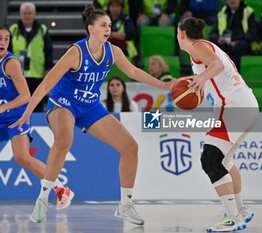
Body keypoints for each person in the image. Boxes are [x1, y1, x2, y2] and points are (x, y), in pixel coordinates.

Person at [10, 4, 173, 224]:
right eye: (103, 25)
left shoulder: (113, 51)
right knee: (64, 141)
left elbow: (134, 71)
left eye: (110, 25)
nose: (108, 29)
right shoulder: (76, 52)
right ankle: (43, 198)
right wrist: (28, 113)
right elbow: (46, 84)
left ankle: (125, 204)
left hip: (90, 106)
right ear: (91, 29)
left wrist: (164, 86)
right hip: (63, 103)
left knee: (130, 147)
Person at [177, 17, 258, 232]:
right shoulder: (203, 49)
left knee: (210, 159)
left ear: (181, 34)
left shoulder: (197, 46)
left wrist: (201, 78)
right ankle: (241, 211)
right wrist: (195, 88)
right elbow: (213, 74)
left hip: (233, 106)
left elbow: (217, 65)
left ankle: (232, 218)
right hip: (244, 104)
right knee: (225, 160)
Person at [0, 26, 74, 214]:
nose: (3, 42)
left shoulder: (10, 63)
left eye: (6, 38)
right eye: (0, 38)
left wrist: (3, 107)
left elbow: (26, 96)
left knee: (22, 157)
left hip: (16, 116)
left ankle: (61, 189)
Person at [9, 2, 54, 112]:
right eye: (25, 13)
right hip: (19, 75)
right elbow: (8, 51)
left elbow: (49, 51)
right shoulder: (13, 30)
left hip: (37, 74)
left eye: (30, 13)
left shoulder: (42, 30)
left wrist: (48, 69)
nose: (27, 16)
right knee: (19, 105)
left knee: (37, 105)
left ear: (34, 14)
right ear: (20, 14)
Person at [210, 0, 258, 71]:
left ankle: (236, 75)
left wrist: (236, 41)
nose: (232, 1)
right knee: (216, 47)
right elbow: (212, 34)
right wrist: (219, 38)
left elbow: (252, 33)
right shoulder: (222, 13)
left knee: (238, 47)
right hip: (225, 42)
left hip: (243, 42)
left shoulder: (249, 12)